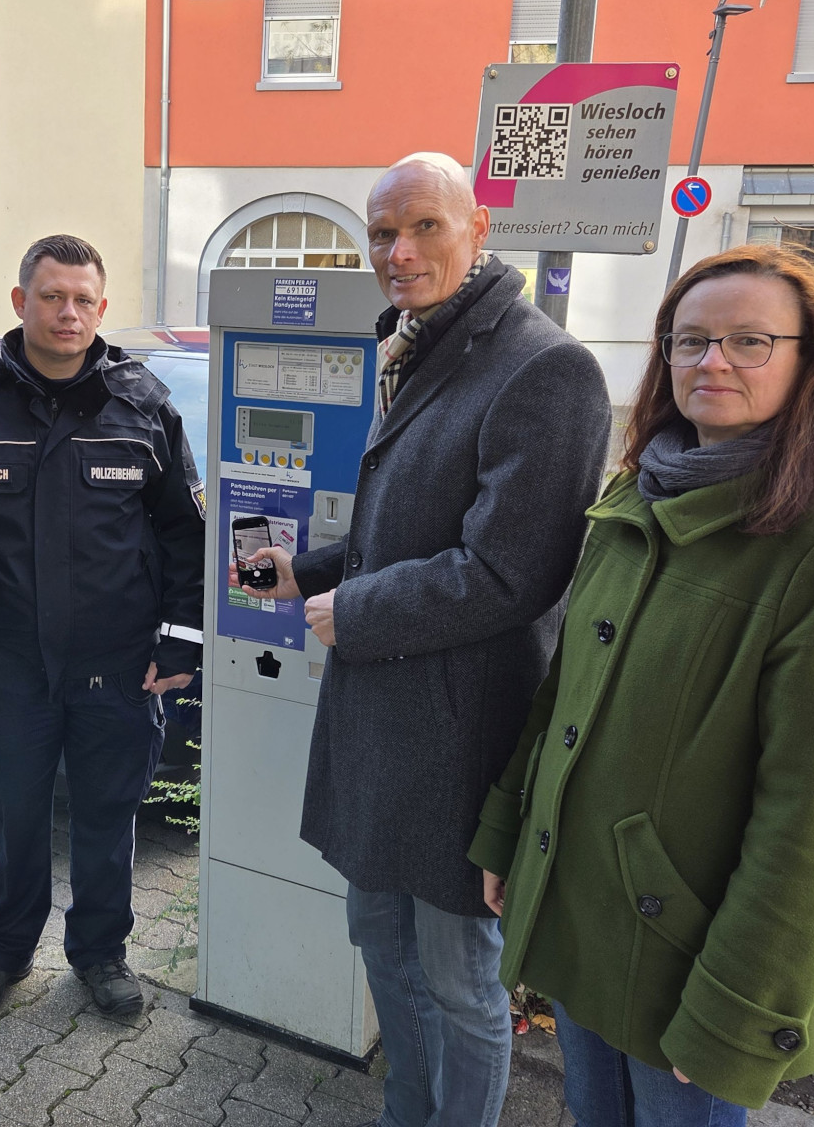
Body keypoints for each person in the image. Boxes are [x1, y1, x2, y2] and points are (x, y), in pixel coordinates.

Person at [471, 244, 814, 1123]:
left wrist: (737, 1014)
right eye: (690, 340)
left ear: (809, 361)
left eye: (750, 341)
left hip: (686, 958)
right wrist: (511, 834)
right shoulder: (637, 496)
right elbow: (563, 696)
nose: (713, 362)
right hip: (584, 915)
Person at [246, 152, 611, 1127]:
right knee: (379, 944)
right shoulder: (427, 346)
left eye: (423, 227)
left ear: (478, 227)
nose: (396, 252)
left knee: (457, 980)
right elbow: (401, 527)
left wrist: (351, 611)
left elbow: (507, 572)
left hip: (454, 744)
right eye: (379, 232)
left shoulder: (544, 367)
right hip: (380, 724)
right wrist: (310, 571)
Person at [0, 234, 205, 1020]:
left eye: (83, 299)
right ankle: (2, 953)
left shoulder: (143, 407)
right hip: (8, 668)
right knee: (10, 814)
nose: (68, 312)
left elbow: (186, 532)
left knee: (109, 816)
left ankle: (101, 953)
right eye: (53, 296)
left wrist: (183, 639)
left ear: (101, 309)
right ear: (20, 303)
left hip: (116, 668)